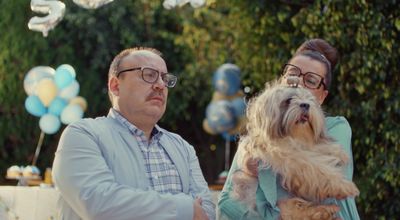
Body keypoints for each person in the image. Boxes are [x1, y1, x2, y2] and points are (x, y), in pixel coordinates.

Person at [52, 47, 215, 220]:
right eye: (149, 74)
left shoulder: (182, 147)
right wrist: (185, 209)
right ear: (115, 86)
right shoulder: (83, 135)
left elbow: (207, 212)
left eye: (165, 78)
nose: (161, 85)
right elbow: (99, 204)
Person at [217, 39, 360, 219]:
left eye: (310, 80)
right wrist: (276, 216)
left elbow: (321, 179)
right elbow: (226, 204)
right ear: (281, 81)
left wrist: (264, 161)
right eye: (293, 74)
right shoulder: (256, 137)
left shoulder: (336, 128)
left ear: (322, 96)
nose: (299, 83)